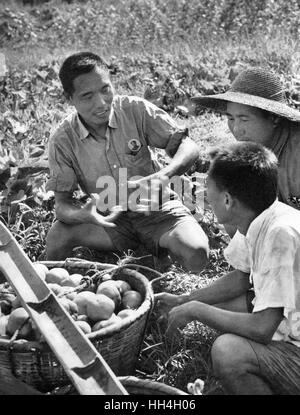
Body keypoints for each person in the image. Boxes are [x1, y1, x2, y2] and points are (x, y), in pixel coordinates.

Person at [155, 142, 300, 395]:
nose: (204, 196)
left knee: (228, 351)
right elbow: (241, 279)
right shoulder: (260, 215)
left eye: (207, 189)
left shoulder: (279, 235)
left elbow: (262, 327)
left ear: (227, 200)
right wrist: (184, 298)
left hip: (294, 342)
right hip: (291, 319)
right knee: (229, 303)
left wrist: (196, 310)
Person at [45, 51, 209, 272]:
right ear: (69, 99)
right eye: (87, 96)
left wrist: (165, 175)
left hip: (158, 210)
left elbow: (189, 147)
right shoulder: (63, 140)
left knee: (196, 250)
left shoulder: (135, 110)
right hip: (109, 220)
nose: (101, 103)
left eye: (105, 89)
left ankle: (185, 297)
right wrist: (82, 215)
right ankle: (54, 292)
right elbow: (62, 206)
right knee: (58, 236)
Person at [192, 66, 300, 211]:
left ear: (274, 118)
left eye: (244, 119)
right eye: (230, 118)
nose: (236, 129)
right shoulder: (257, 149)